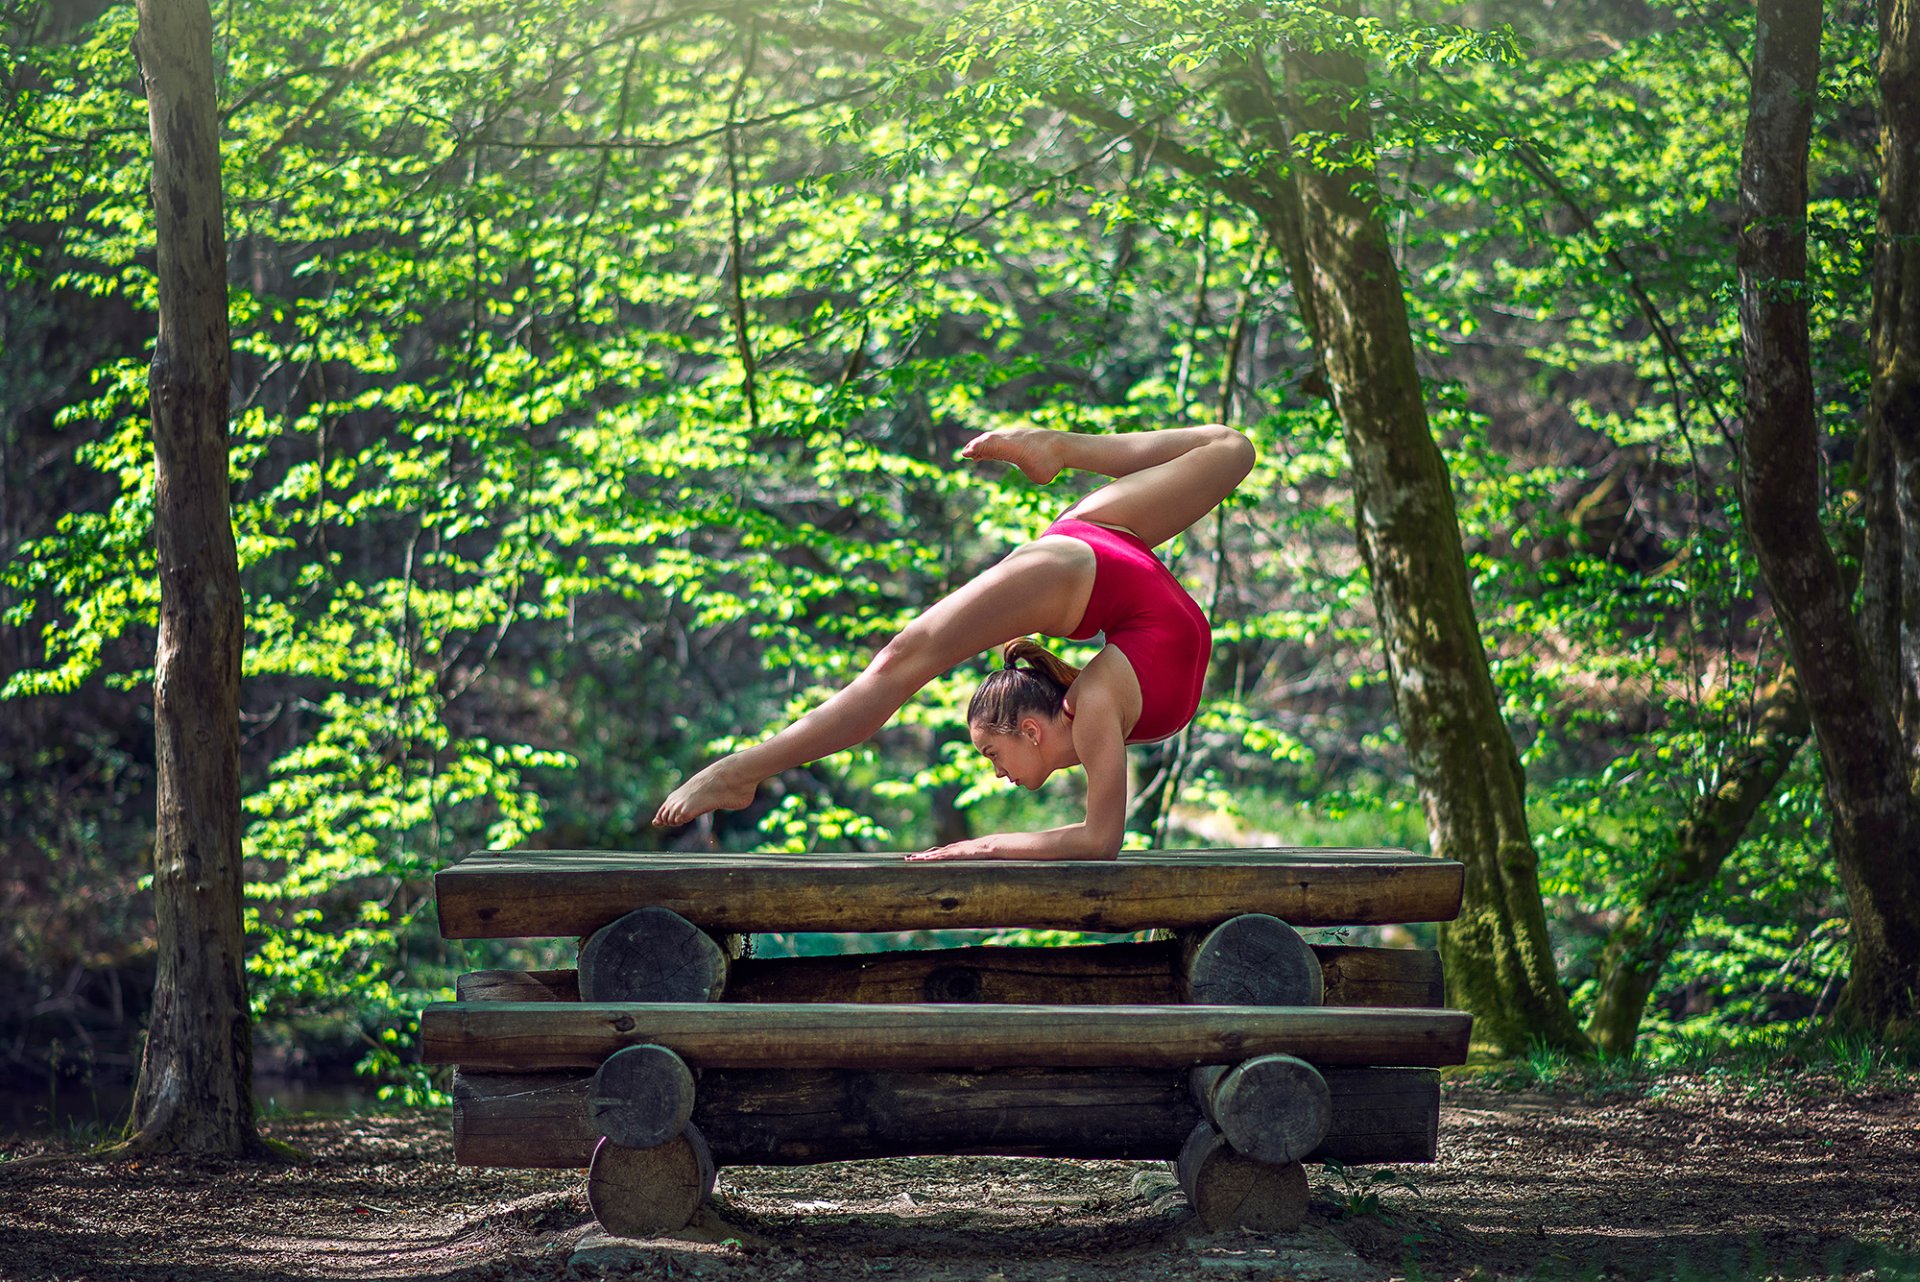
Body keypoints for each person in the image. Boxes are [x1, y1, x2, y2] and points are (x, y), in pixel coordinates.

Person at [651, 423, 1256, 860]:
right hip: (1101, 556)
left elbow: (1099, 842)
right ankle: (1057, 448)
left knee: (902, 659)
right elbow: (1100, 839)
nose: (994, 774)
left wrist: (985, 845)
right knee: (1231, 449)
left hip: (1091, 560)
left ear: (1031, 730)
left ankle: (743, 770)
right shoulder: (1098, 707)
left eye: (991, 755)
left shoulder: (1096, 706)